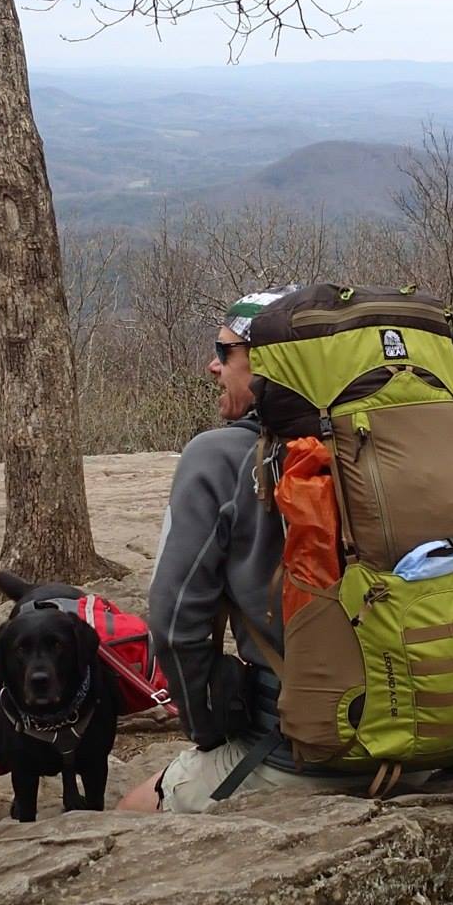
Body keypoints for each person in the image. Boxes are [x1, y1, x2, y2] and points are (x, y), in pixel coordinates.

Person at [117, 286, 351, 813]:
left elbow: (175, 626)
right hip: (439, 729)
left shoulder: (218, 456)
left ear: (267, 362)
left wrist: (210, 731)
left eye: (226, 352)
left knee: (132, 809)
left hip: (308, 751)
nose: (212, 365)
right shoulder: (391, 443)